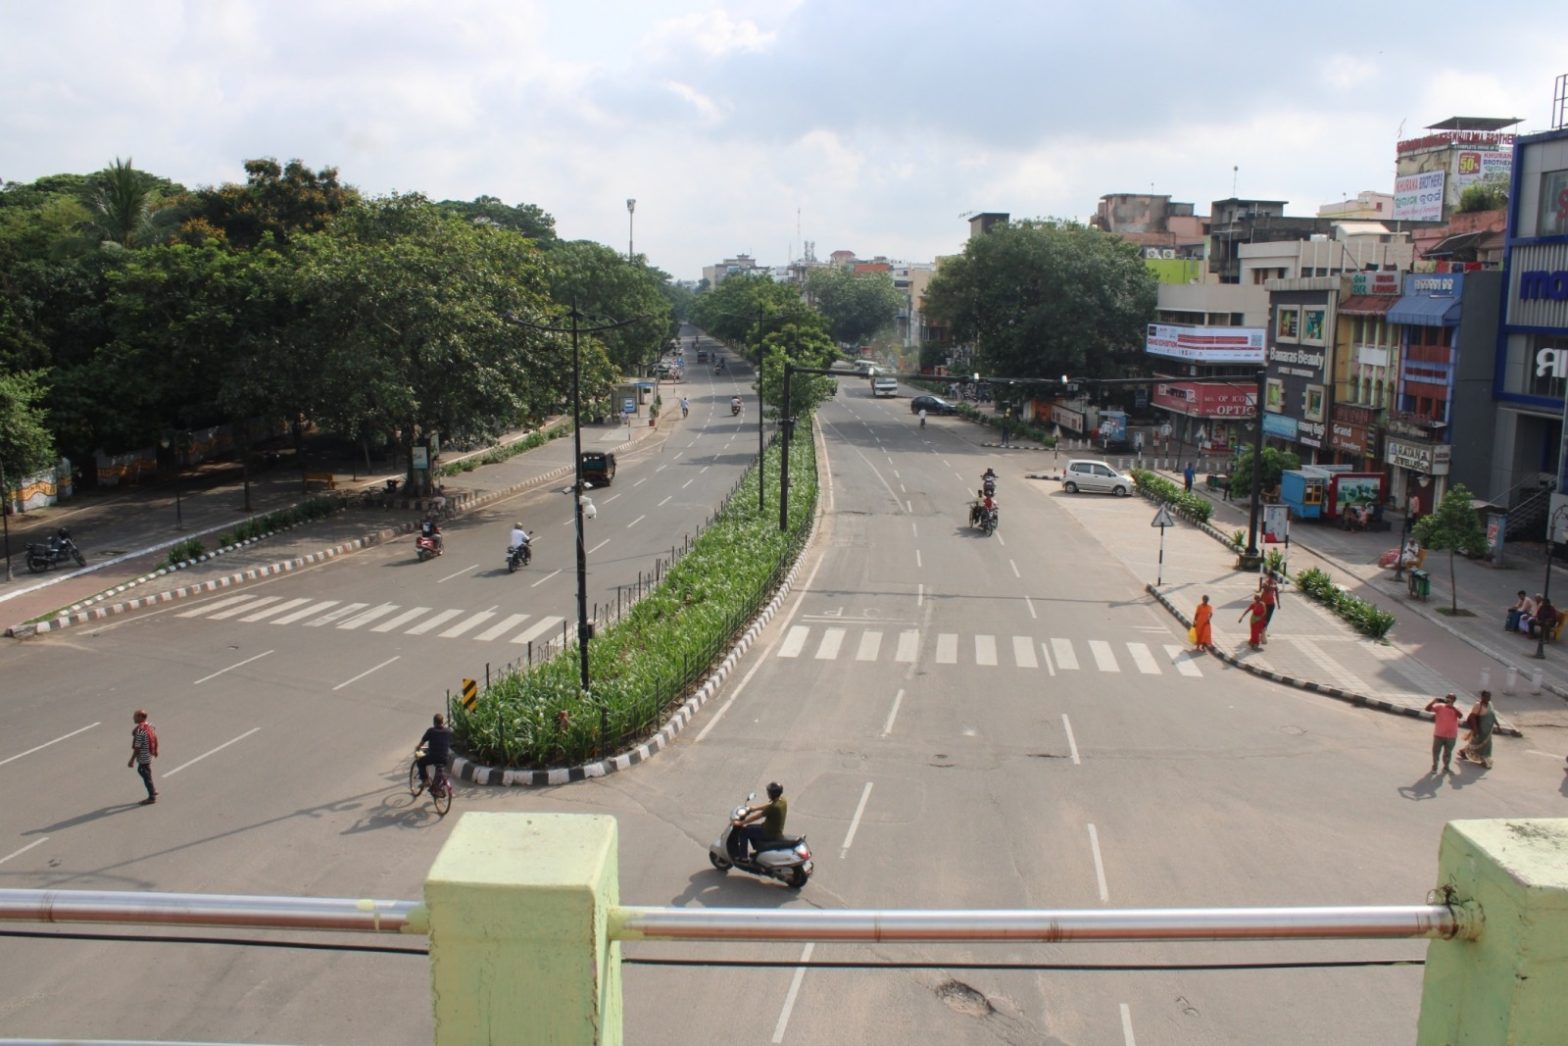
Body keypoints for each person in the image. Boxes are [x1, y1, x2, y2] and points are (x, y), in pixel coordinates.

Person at [734, 782, 788, 859]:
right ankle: (759, 851)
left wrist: (741, 823)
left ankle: (743, 858)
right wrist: (754, 808)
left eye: (769, 793)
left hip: (769, 832)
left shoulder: (774, 807)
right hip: (774, 829)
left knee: (744, 831)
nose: (768, 794)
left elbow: (756, 817)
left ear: (773, 794)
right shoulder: (782, 800)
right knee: (749, 828)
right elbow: (769, 805)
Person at [1424, 693, 1462, 774]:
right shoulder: (1440, 706)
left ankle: (1446, 767)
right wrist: (1434, 701)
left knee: (1448, 753)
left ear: (1454, 700)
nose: (1449, 699)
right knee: (1436, 752)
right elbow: (1427, 709)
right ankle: (1435, 767)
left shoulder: (1457, 708)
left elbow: (1460, 716)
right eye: (1448, 697)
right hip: (1439, 734)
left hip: (1451, 736)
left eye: (1451, 698)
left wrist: (1453, 708)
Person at [414, 713, 453, 792]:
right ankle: (436, 786)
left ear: (434, 722)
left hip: (433, 757)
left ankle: (426, 780)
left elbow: (422, 742)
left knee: (420, 761)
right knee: (439, 767)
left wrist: (418, 748)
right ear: (442, 722)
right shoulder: (448, 731)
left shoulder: (431, 731)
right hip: (445, 758)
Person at [128, 709, 159, 805]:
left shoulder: (140, 731)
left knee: (146, 775)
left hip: (143, 756)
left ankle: (152, 797)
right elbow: (155, 737)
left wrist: (131, 760)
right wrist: (155, 749)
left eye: (135, 716)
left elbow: (137, 748)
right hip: (149, 753)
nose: (133, 718)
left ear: (141, 717)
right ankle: (153, 789)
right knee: (144, 771)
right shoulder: (150, 725)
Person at [1459, 691, 1497, 769]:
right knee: (1477, 743)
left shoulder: (1490, 704)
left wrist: (1498, 725)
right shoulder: (1478, 705)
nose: (1488, 698)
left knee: (1485, 744)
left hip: (1488, 730)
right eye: (1486, 696)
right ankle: (1484, 760)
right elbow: (1473, 717)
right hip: (1480, 729)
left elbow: (1492, 715)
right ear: (1482, 697)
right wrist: (1475, 729)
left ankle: (1463, 751)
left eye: (1489, 696)